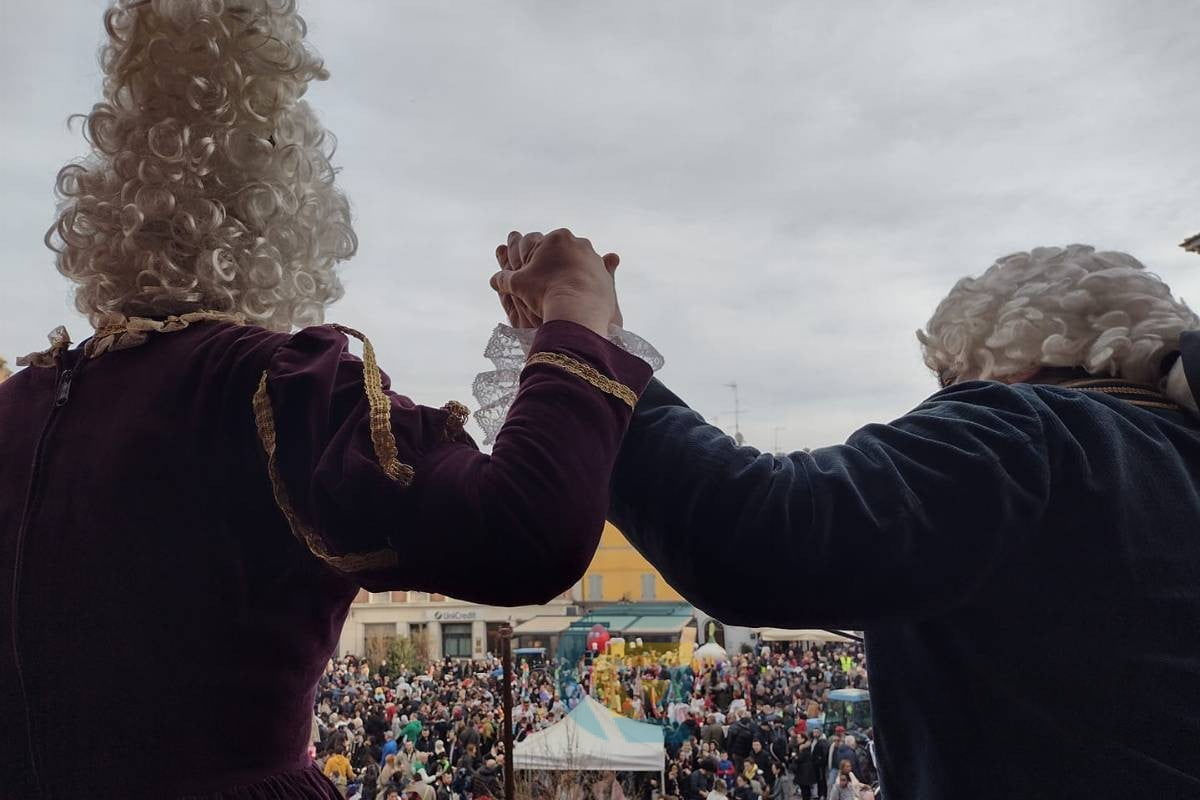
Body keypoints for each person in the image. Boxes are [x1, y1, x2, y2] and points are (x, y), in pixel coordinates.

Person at [0, 3, 654, 798]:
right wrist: (576, 314)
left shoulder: (18, 406)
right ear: (292, 209)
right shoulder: (266, 387)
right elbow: (527, 529)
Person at [492, 241, 1200, 797]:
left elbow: (762, 533)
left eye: (948, 387)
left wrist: (584, 335)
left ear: (999, 364)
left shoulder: (1033, 433)